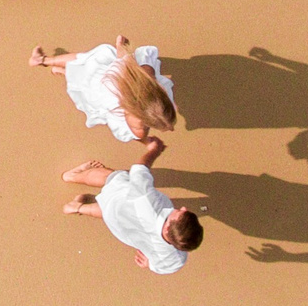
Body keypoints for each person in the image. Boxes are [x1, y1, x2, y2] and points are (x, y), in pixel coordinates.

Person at [29, 34, 177, 163]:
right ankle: (61, 71)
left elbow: (124, 58)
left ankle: (44, 60)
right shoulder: (136, 123)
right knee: (81, 78)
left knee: (82, 61)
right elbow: (138, 135)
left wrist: (121, 46)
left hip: (103, 83)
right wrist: (147, 142)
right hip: (100, 94)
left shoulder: (143, 75)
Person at [61, 161, 202, 273]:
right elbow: (164, 267)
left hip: (122, 203)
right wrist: (150, 264)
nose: (183, 208)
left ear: (167, 229)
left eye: (180, 213)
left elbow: (138, 175)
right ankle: (76, 208)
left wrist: (151, 151)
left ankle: (71, 176)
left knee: (112, 177)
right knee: (108, 212)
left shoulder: (149, 205)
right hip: (121, 229)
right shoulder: (176, 259)